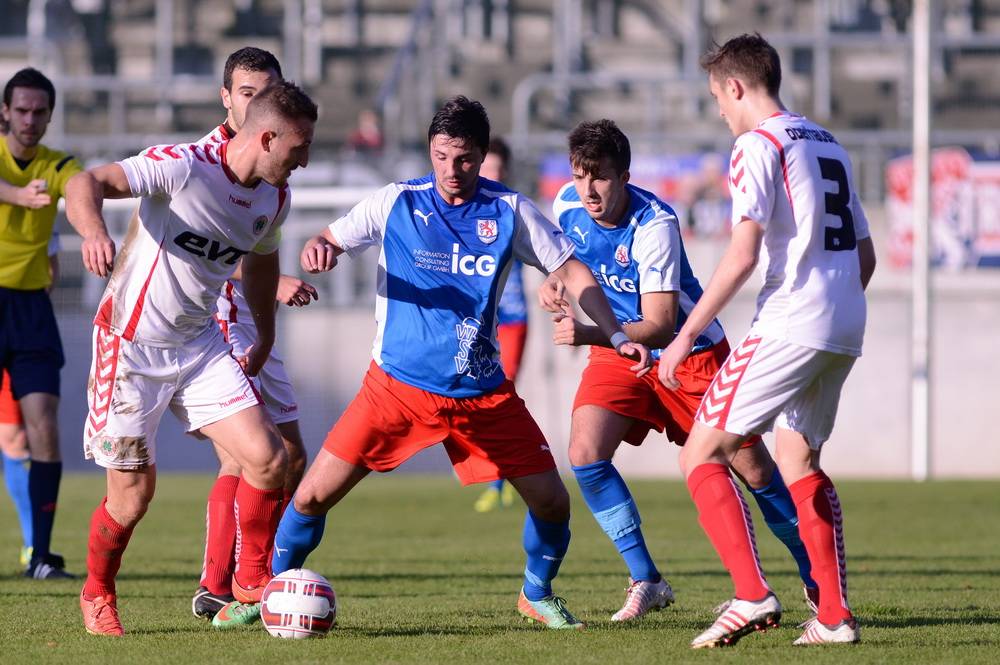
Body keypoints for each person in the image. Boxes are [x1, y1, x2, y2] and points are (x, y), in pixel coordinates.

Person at [269, 96, 651, 630]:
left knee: (552, 504)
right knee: (310, 496)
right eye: (442, 156)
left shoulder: (509, 210)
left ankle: (536, 592)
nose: (452, 169)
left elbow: (574, 270)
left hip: (481, 394)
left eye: (465, 158)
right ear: (431, 150)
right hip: (395, 389)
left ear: (480, 155)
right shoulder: (395, 202)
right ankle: (266, 592)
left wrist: (612, 331)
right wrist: (320, 248)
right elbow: (330, 237)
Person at [64, 81, 318, 636]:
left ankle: (250, 586)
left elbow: (260, 267)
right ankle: (97, 592)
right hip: (130, 347)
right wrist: (91, 231)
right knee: (132, 498)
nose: (306, 159)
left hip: (199, 345)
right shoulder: (183, 166)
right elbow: (86, 180)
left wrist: (267, 337)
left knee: (272, 458)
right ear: (268, 137)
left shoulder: (274, 196)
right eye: (299, 149)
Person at [539, 118, 817, 622]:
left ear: (624, 175)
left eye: (599, 176)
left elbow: (663, 326)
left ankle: (818, 582)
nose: (588, 189)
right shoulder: (565, 204)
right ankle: (647, 580)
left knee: (754, 471)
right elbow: (568, 263)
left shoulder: (654, 226)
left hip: (689, 357)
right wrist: (554, 282)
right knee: (584, 452)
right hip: (620, 353)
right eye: (581, 175)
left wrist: (587, 333)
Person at [658, 33, 876, 647]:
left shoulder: (756, 145)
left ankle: (752, 595)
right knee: (799, 459)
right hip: (843, 324)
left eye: (716, 98)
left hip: (790, 320)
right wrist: (835, 309)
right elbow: (866, 254)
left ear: (735, 87)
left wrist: (686, 336)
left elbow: (742, 255)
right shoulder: (829, 142)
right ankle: (833, 618)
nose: (719, 111)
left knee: (699, 452)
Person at [187, 46, 318, 626]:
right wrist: (277, 279)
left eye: (267, 91)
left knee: (289, 455)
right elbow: (198, 248)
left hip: (251, 319)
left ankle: (250, 575)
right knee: (244, 460)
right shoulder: (206, 161)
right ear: (227, 98)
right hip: (215, 319)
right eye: (246, 92)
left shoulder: (274, 170)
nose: (256, 100)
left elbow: (260, 240)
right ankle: (229, 585)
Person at [0, 68, 82, 580]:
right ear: (4, 112)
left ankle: (43, 557)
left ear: (50, 116)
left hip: (31, 311)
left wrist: (87, 215)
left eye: (39, 112)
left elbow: (80, 188)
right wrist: (16, 195)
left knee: (43, 427)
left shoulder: (59, 165)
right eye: (21, 110)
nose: (30, 120)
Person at [0, 232, 61, 568]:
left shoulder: (44, 192)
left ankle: (36, 551)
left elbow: (51, 266)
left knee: (29, 434)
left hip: (28, 315)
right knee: (11, 438)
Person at [472, 136, 524, 514]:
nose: (492, 175)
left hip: (513, 318)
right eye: (487, 168)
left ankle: (500, 480)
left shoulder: (513, 210)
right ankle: (492, 475)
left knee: (501, 391)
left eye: (498, 169)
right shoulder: (464, 210)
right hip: (476, 321)